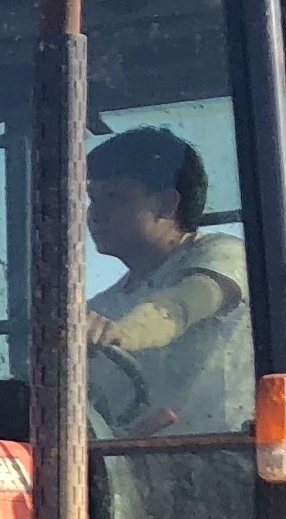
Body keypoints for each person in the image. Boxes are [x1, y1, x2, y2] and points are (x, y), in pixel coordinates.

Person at [83, 126, 252, 439]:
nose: (94, 214)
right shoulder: (100, 310)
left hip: (226, 461)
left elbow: (182, 306)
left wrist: (122, 334)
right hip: (131, 473)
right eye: (93, 199)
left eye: (114, 197)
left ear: (166, 205)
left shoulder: (221, 256)